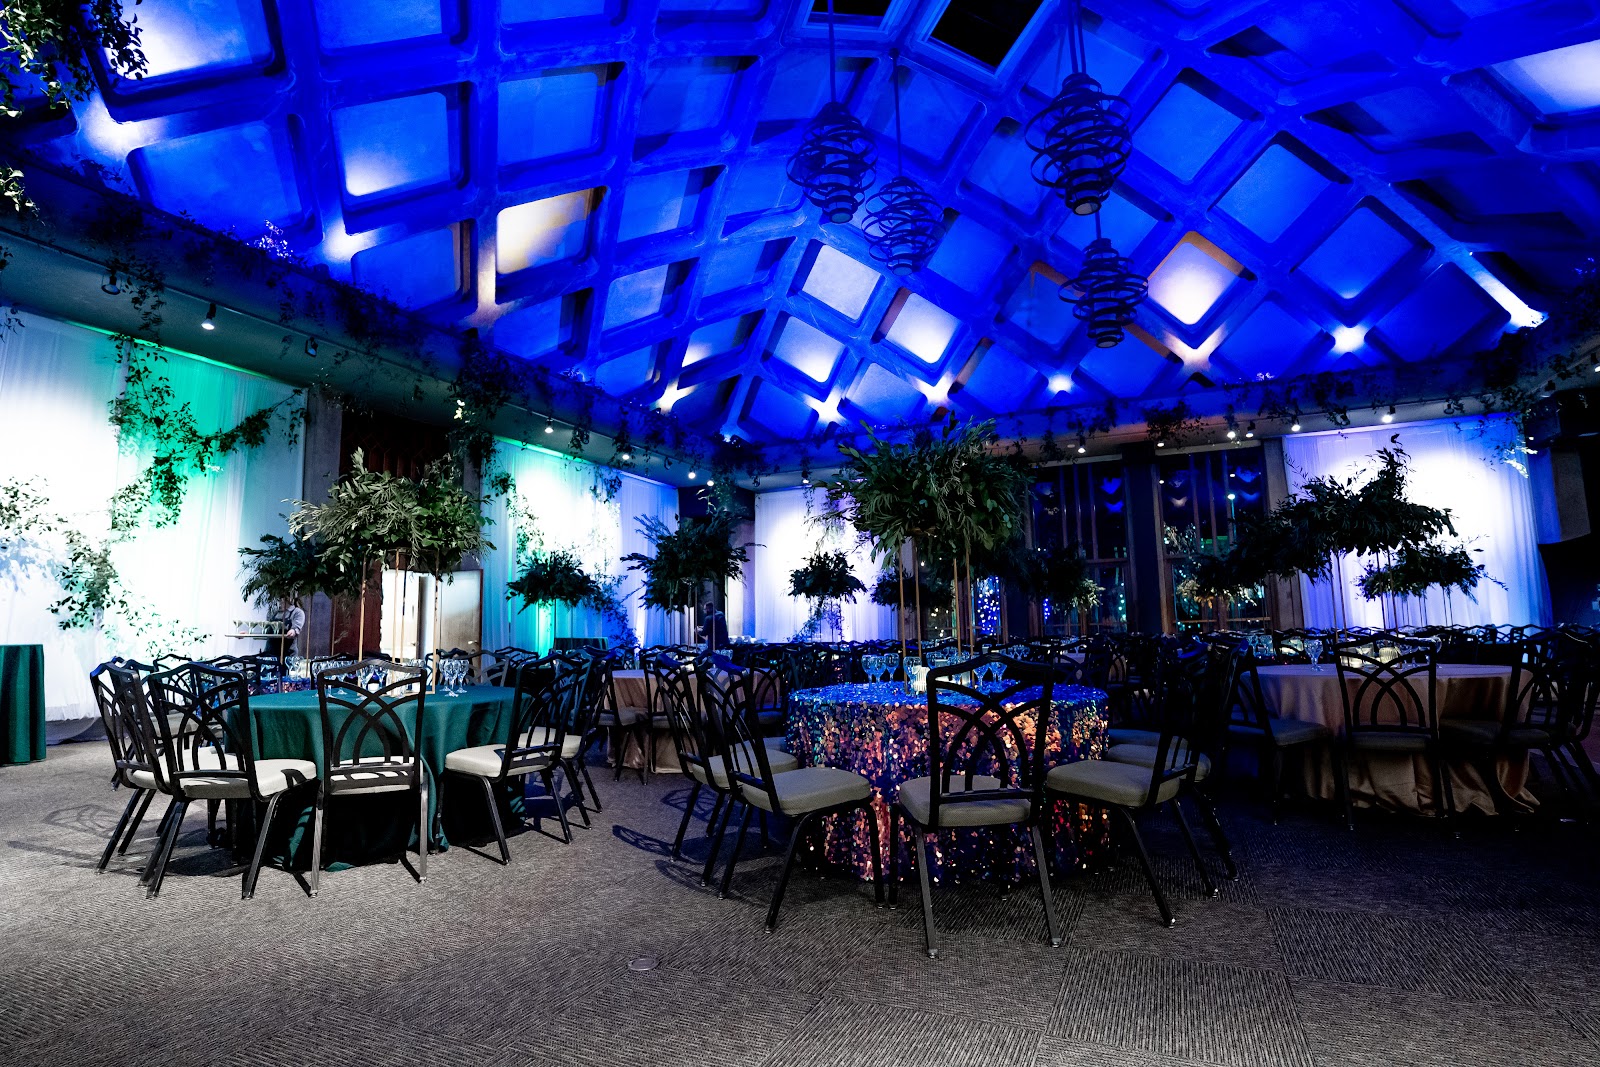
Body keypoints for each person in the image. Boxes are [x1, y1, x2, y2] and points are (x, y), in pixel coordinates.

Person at [269, 597, 306, 663]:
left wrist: (293, 631)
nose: (280, 603)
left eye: (282, 600)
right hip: (271, 653)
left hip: (288, 654)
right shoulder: (274, 613)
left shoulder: (297, 612)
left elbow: (297, 627)